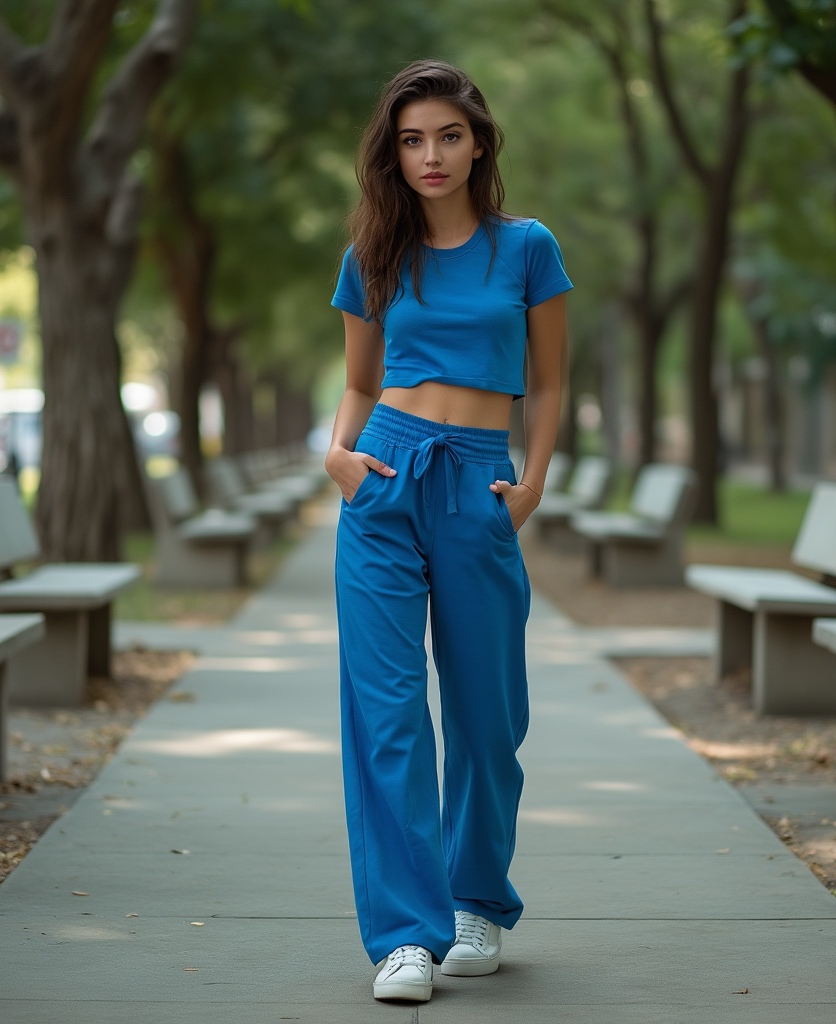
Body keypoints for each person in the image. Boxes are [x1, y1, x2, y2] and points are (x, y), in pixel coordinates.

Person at [326, 58, 572, 1003]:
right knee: (386, 715)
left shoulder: (527, 248)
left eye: (449, 136)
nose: (431, 156)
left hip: (479, 479)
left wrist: (534, 481)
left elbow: (547, 382)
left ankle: (478, 902)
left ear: (479, 143)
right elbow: (356, 381)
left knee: (483, 714)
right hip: (383, 478)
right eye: (412, 139)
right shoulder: (373, 256)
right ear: (393, 152)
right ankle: (403, 936)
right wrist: (337, 458)